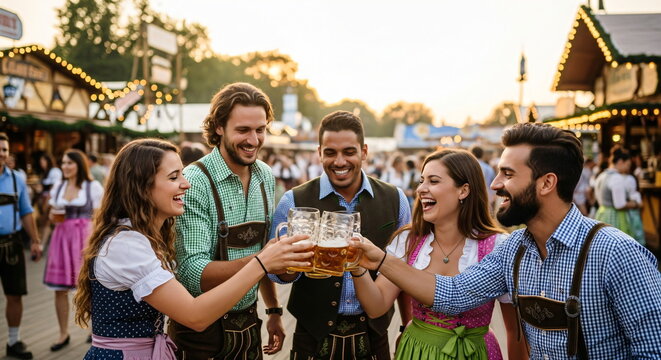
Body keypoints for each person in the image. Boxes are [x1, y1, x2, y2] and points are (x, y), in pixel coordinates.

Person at [352, 123, 661, 358]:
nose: (496, 184)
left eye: (508, 174)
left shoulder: (617, 253)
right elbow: (454, 294)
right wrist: (377, 260)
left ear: (546, 183)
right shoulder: (514, 249)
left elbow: (653, 350)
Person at [73, 138, 312, 359]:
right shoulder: (126, 246)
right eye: (174, 177)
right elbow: (195, 316)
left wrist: (272, 306)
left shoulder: (142, 236)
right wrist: (261, 263)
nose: (185, 184)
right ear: (142, 187)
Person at [351, 149, 525, 359]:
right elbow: (376, 307)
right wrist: (357, 267)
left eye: (433, 181)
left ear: (463, 190)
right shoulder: (408, 241)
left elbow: (515, 332)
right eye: (422, 181)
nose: (421, 189)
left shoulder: (497, 246)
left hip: (476, 353)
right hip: (417, 351)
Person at [269, 110, 412, 359]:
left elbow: (405, 271)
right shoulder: (294, 200)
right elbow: (278, 275)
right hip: (311, 336)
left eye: (349, 152)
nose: (339, 161)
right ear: (319, 152)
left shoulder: (395, 199)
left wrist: (406, 325)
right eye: (331, 152)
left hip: (374, 334)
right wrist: (291, 262)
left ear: (364, 152)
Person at [169, 82, 284, 359]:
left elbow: (262, 248)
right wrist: (262, 262)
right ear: (219, 127)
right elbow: (192, 273)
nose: (253, 140)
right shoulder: (195, 181)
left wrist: (273, 310)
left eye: (260, 130)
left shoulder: (264, 176)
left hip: (249, 325)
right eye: (243, 130)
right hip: (201, 332)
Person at [43, 149, 103, 351]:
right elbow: (52, 217)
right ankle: (63, 333)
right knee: (59, 289)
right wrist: (52, 216)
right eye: (63, 163)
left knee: (90, 284)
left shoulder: (91, 186)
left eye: (69, 163)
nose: (65, 166)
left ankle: (95, 329)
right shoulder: (58, 187)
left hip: (84, 238)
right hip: (61, 238)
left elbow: (99, 216)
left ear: (79, 164)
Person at [0, 133, 42, 360]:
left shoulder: (17, 179)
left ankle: (13, 342)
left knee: (15, 295)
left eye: (4, 150)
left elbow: (26, 212)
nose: (1, 154)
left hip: (12, 243)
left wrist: (35, 241)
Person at [594, 146, 645, 243]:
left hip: (601, 213)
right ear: (620, 161)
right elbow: (620, 205)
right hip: (615, 217)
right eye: (627, 164)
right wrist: (636, 204)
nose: (628, 168)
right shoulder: (617, 178)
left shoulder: (601, 175)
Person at [470, 145, 496, 212]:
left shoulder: (469, 167)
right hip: (488, 198)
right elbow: (493, 184)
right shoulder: (489, 168)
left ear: (473, 154)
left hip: (473, 199)